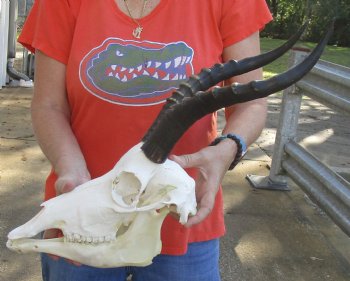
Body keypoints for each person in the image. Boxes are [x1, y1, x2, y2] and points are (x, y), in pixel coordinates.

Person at [18, 0, 272, 280]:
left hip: (182, 215)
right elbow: (49, 105)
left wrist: (228, 148)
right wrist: (70, 170)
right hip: (85, 214)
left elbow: (251, 103)